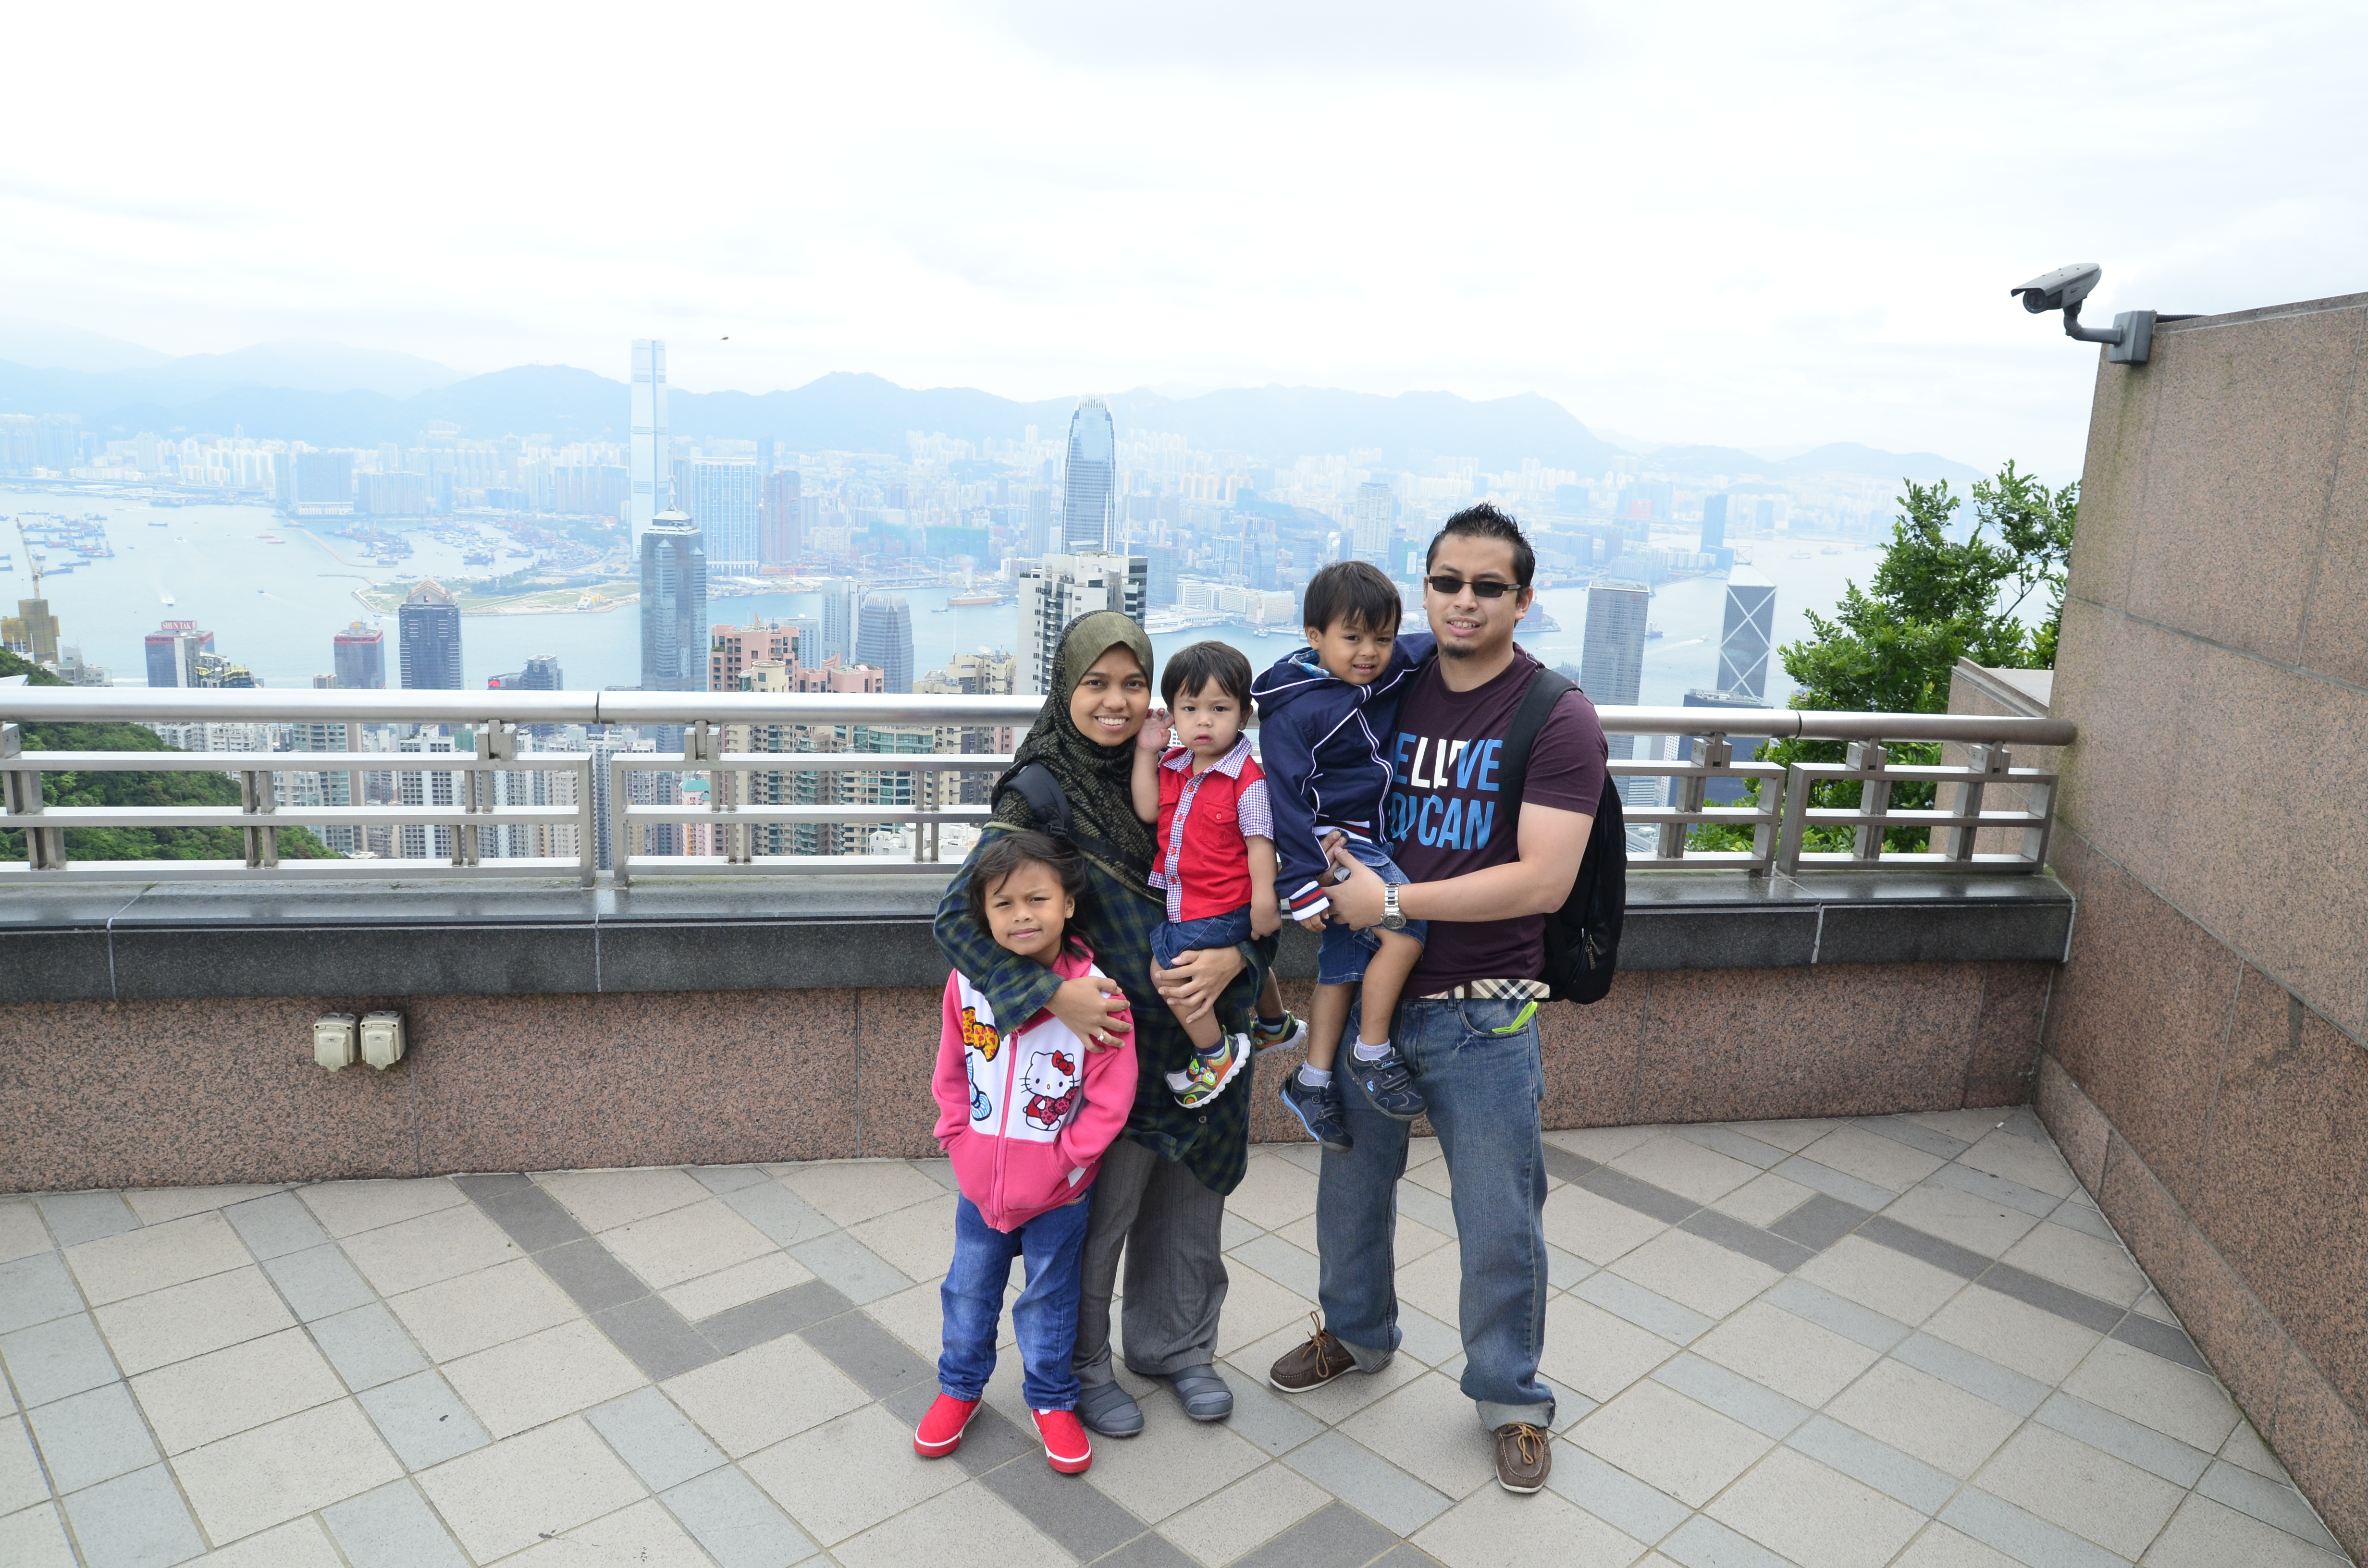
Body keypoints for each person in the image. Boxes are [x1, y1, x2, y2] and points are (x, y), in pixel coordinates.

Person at [1266, 504, 1607, 1497]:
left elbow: (1544, 879)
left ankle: (1509, 1397)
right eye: (1446, 581)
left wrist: (1392, 902)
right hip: (1361, 985)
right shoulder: (1386, 669)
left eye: (1487, 586)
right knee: (1348, 1191)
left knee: (1500, 1216)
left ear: (1522, 599)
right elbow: (1276, 695)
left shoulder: (1554, 713)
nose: (1464, 601)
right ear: (1423, 587)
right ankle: (1354, 1332)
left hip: (1481, 1005)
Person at [933, 611, 1273, 1440]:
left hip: (1205, 1032)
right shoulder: (1042, 791)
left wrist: (1235, 956)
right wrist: (1054, 998)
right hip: (1107, 1049)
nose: (1115, 702)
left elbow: (1262, 891)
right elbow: (957, 918)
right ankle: (1082, 1366)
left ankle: (1177, 1347)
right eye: (1096, 683)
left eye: (1132, 684)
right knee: (1100, 1217)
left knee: (1190, 1206)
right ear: (1065, 688)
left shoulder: (1200, 767)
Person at [916, 831, 1138, 1476]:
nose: (1022, 915)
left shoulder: (1098, 993)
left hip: (1060, 1191)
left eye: (1037, 899)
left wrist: (1066, 1161)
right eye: (1004, 903)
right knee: (967, 1292)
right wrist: (957, 1138)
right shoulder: (967, 983)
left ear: (1068, 904)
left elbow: (1111, 1096)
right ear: (983, 914)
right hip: (979, 1183)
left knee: (1050, 1300)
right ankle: (960, 1389)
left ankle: (1050, 1398)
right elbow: (950, 1067)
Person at [1251, 561, 1436, 1150]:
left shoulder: (1381, 670)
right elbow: (1283, 801)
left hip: (1364, 837)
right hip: (1336, 843)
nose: (1368, 652)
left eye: (1381, 638)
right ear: (1315, 637)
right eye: (1351, 638)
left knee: (1342, 970)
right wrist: (1302, 884)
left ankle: (1311, 1081)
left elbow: (1421, 644)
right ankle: (1371, 1051)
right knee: (1405, 930)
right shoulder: (1296, 710)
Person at [1130, 640, 1282, 1107]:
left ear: (1244, 714)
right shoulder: (1172, 767)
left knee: (1167, 971)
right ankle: (1275, 1023)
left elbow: (1260, 845)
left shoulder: (1247, 781)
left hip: (1225, 905)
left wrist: (1264, 903)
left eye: (1219, 709)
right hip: (1193, 902)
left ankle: (1215, 1053)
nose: (1203, 721)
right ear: (1173, 713)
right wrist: (1145, 751)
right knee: (1219, 967)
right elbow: (1147, 810)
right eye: (1190, 708)